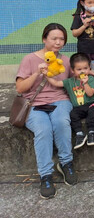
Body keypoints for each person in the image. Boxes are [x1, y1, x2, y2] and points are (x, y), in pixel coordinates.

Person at [16, 23, 77, 199]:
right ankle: (46, 175)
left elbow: (73, 82)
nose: (58, 42)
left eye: (62, 39)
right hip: (35, 104)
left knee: (61, 123)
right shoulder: (29, 59)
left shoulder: (65, 60)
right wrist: (37, 73)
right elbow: (20, 87)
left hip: (60, 101)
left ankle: (66, 163)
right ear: (44, 39)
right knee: (43, 130)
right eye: (54, 38)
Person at [47, 53, 94, 149]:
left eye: (85, 68)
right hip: (77, 107)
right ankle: (79, 134)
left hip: (90, 104)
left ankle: (92, 133)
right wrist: (47, 74)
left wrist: (86, 83)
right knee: (72, 115)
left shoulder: (90, 79)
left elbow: (90, 93)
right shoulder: (69, 81)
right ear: (72, 70)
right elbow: (56, 83)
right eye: (79, 69)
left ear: (89, 68)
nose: (82, 71)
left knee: (93, 113)